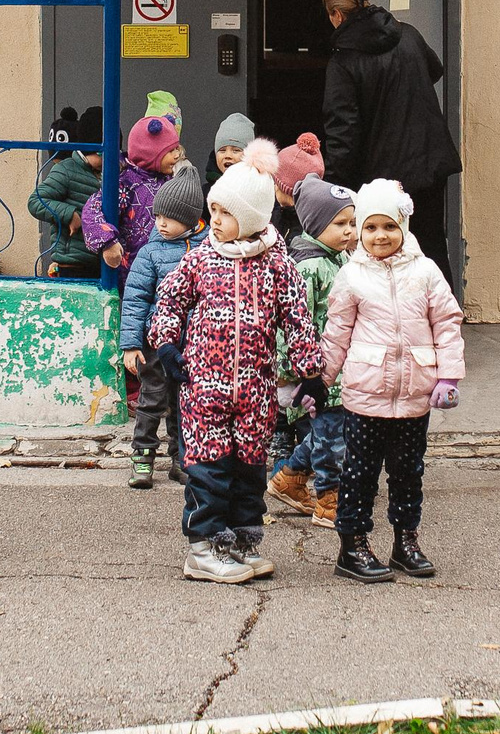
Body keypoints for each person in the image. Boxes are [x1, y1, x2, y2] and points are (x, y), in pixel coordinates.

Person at [148, 160, 326, 584]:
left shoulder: (278, 265)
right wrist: (167, 343)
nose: (215, 220)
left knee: (248, 469)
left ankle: (241, 542)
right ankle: (203, 548)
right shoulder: (200, 259)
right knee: (209, 469)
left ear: (250, 218)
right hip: (203, 387)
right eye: (213, 210)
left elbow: (297, 319)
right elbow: (169, 301)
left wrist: (310, 371)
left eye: (226, 213)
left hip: (255, 390)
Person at [321, 179, 466, 585]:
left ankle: (406, 542)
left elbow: (447, 324)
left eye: (389, 226)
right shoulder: (351, 276)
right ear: (360, 230)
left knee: (408, 473)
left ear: (403, 226)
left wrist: (448, 375)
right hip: (366, 395)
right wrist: (320, 380)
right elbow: (336, 334)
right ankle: (352, 546)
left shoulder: (426, 272)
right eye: (370, 227)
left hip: (415, 394)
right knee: (360, 474)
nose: (380, 235)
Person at [320, 0, 464, 288]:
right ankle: (446, 312)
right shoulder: (407, 33)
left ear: (337, 15)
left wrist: (333, 188)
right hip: (429, 162)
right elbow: (435, 69)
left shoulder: (344, 61)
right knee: (431, 246)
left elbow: (343, 133)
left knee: (383, 256)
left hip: (382, 177)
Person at [269, 175, 357, 524]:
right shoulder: (308, 267)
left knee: (331, 432)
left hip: (341, 368)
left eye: (352, 223)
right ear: (316, 225)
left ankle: (289, 478)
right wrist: (289, 371)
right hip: (317, 372)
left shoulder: (339, 259)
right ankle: (328, 500)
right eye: (340, 224)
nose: (349, 231)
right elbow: (292, 322)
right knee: (332, 438)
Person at [119, 172, 201, 490]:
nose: (161, 223)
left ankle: (182, 458)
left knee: (185, 403)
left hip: (191, 345)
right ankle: (142, 456)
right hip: (154, 345)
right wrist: (131, 344)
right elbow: (135, 300)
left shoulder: (207, 250)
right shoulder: (150, 253)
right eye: (158, 216)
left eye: (170, 218)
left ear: (190, 219)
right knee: (151, 399)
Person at [82, 113, 188, 285]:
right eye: (170, 151)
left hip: (165, 270)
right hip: (131, 273)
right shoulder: (126, 183)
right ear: (150, 153)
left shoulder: (170, 181)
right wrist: (107, 242)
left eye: (177, 148)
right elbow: (92, 210)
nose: (177, 155)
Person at [28, 106, 105, 279]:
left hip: (102, 261)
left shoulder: (110, 174)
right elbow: (36, 201)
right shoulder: (66, 169)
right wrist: (69, 214)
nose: (107, 159)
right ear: (87, 149)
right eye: (101, 153)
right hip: (73, 262)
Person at [272, 132, 326, 244]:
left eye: (276, 182)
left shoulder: (302, 235)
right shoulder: (317, 221)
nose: (274, 187)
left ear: (286, 190)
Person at [205, 112, 256, 187]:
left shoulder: (259, 188)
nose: (228, 155)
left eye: (236, 150)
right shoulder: (206, 191)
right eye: (222, 150)